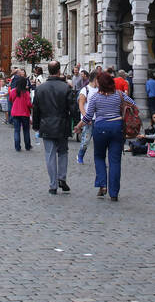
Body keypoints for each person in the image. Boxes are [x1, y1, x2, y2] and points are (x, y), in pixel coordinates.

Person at [79, 71, 136, 201]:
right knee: (115, 161)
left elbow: (88, 117)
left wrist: (79, 126)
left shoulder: (95, 97)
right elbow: (133, 104)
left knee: (99, 157)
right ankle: (114, 193)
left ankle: (102, 184)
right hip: (117, 127)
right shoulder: (119, 95)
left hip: (100, 128)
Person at [32, 61, 77, 194]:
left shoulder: (40, 89)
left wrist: (35, 125)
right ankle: (61, 177)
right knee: (63, 152)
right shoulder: (66, 87)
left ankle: (53, 185)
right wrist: (77, 122)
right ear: (58, 71)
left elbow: (36, 109)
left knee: (50, 154)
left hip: (46, 124)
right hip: (62, 124)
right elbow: (73, 107)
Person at [8, 72, 33, 152]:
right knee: (26, 130)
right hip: (24, 113)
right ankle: (27, 146)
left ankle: (17, 146)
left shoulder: (13, 91)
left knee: (16, 130)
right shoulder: (26, 92)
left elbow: (11, 100)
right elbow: (29, 104)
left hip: (15, 112)